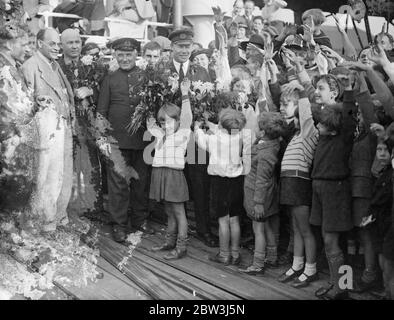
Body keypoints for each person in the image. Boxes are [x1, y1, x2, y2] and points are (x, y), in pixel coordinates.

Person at [97, 37, 154, 242]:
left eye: (128, 55)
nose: (124, 59)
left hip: (142, 140)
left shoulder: (146, 77)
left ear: (136, 55)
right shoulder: (110, 79)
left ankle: (139, 222)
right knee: (118, 185)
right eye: (120, 55)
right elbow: (101, 112)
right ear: (115, 56)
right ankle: (118, 224)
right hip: (117, 142)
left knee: (141, 183)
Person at [165, 28, 218, 248]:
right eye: (180, 46)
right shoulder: (162, 70)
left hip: (196, 139)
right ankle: (175, 228)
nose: (184, 50)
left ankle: (203, 229)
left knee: (199, 182)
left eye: (188, 46)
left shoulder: (201, 71)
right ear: (172, 48)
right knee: (174, 181)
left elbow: (210, 103)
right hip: (172, 137)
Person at [21, 28, 75, 232]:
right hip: (45, 133)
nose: (56, 47)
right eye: (52, 43)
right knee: (45, 178)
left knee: (63, 175)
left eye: (58, 44)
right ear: (38, 43)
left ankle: (58, 216)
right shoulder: (31, 66)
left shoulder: (55, 65)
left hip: (64, 127)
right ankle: (43, 222)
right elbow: (24, 105)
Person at [311, 74, 357, 300]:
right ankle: (335, 283)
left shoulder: (342, 136)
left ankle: (342, 288)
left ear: (332, 127)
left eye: (321, 123)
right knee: (327, 239)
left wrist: (348, 90)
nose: (317, 124)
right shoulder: (325, 137)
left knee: (332, 240)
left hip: (334, 189)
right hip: (321, 188)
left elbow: (348, 119)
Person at [195, 108, 252, 265]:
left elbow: (202, 141)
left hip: (220, 182)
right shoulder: (239, 136)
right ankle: (235, 253)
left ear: (222, 124)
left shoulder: (214, 139)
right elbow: (221, 130)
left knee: (222, 220)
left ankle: (224, 254)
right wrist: (210, 123)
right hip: (236, 182)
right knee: (234, 219)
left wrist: (197, 128)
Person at [58, 28, 105, 216]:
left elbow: (106, 92)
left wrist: (92, 91)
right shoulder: (55, 66)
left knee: (91, 165)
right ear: (62, 45)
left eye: (77, 42)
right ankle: (68, 207)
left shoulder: (93, 66)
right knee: (67, 166)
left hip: (89, 125)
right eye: (70, 42)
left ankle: (94, 206)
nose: (75, 46)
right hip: (65, 125)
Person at [278, 80, 319, 288]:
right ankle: (297, 265)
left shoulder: (308, 131)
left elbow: (306, 114)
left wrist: (302, 91)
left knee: (304, 229)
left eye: (287, 104)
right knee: (296, 228)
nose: (283, 108)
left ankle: (310, 268)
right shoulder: (295, 135)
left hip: (299, 182)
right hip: (289, 182)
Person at [147, 79, 193, 260]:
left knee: (179, 212)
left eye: (168, 122)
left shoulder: (182, 134)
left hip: (173, 176)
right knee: (168, 211)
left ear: (177, 121)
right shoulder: (160, 135)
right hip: (160, 174)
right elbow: (149, 120)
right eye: (162, 122)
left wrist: (185, 94)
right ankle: (169, 242)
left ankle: (182, 247)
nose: (165, 125)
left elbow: (187, 118)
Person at [239, 112, 286, 274]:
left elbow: (261, 180)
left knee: (258, 229)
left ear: (264, 130)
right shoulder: (271, 144)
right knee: (268, 228)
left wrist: (258, 203)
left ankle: (257, 264)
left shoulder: (265, 153)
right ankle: (271, 257)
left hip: (258, 196)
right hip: (267, 194)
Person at [0, 24, 32, 212]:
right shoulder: (4, 69)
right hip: (9, 137)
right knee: (11, 184)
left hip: (16, 135)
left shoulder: (13, 66)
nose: (28, 49)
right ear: (10, 45)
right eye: (25, 44)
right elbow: (9, 107)